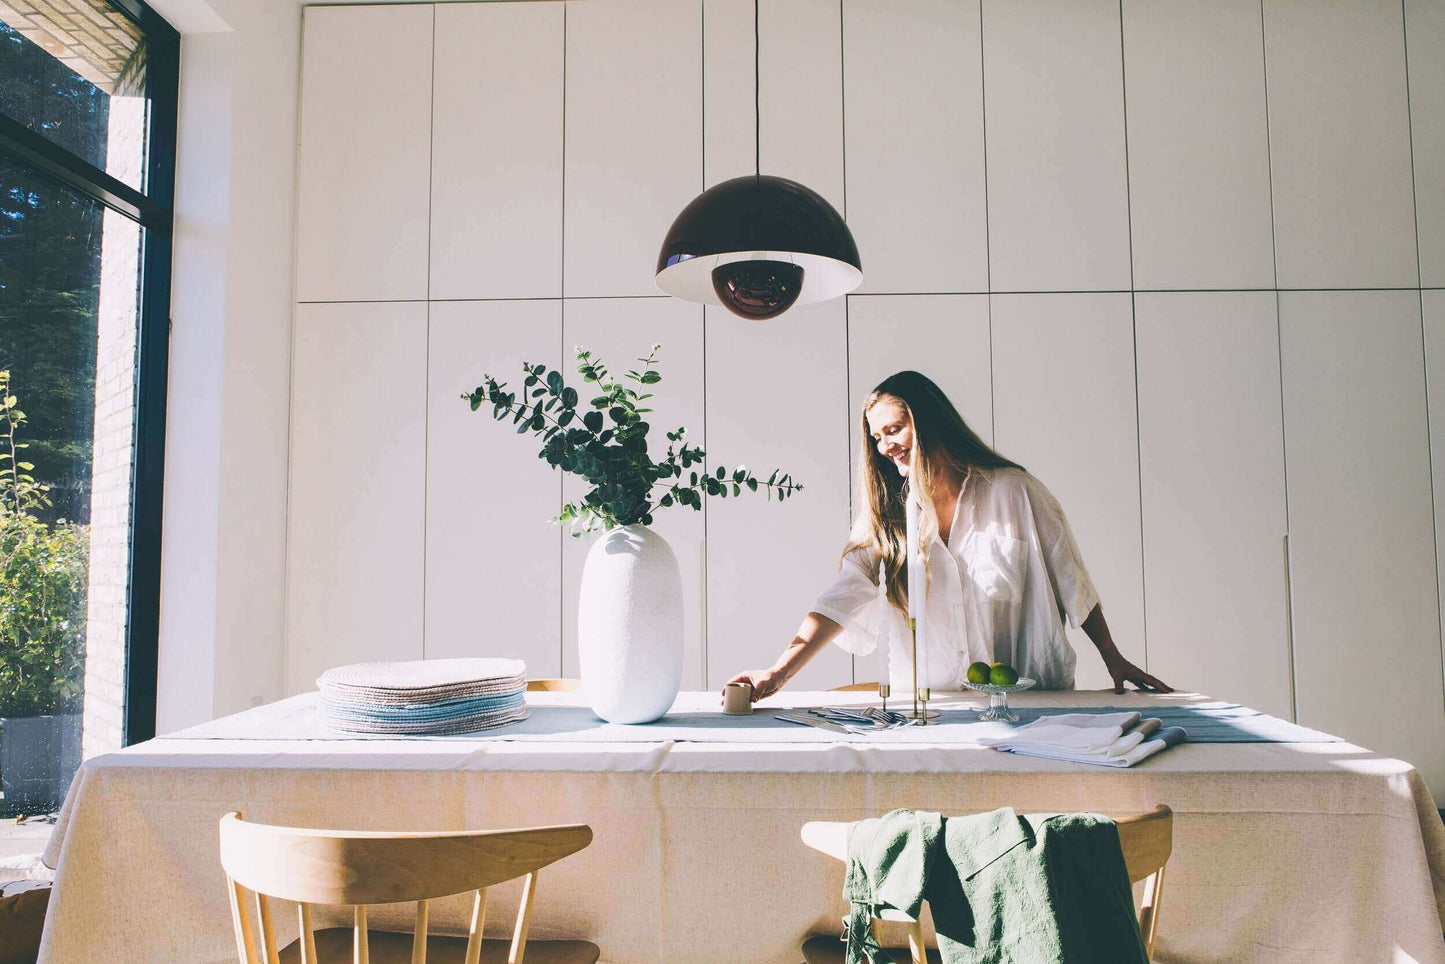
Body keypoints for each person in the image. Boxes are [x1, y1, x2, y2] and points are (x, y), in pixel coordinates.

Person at [726, 370, 1171, 702]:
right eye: (877, 437)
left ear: (930, 420)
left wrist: (1113, 656)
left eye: (895, 429)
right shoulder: (886, 519)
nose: (886, 446)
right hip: (932, 716)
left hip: (1028, 710)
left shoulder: (1015, 491)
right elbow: (837, 602)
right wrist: (777, 674)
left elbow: (1072, 580)